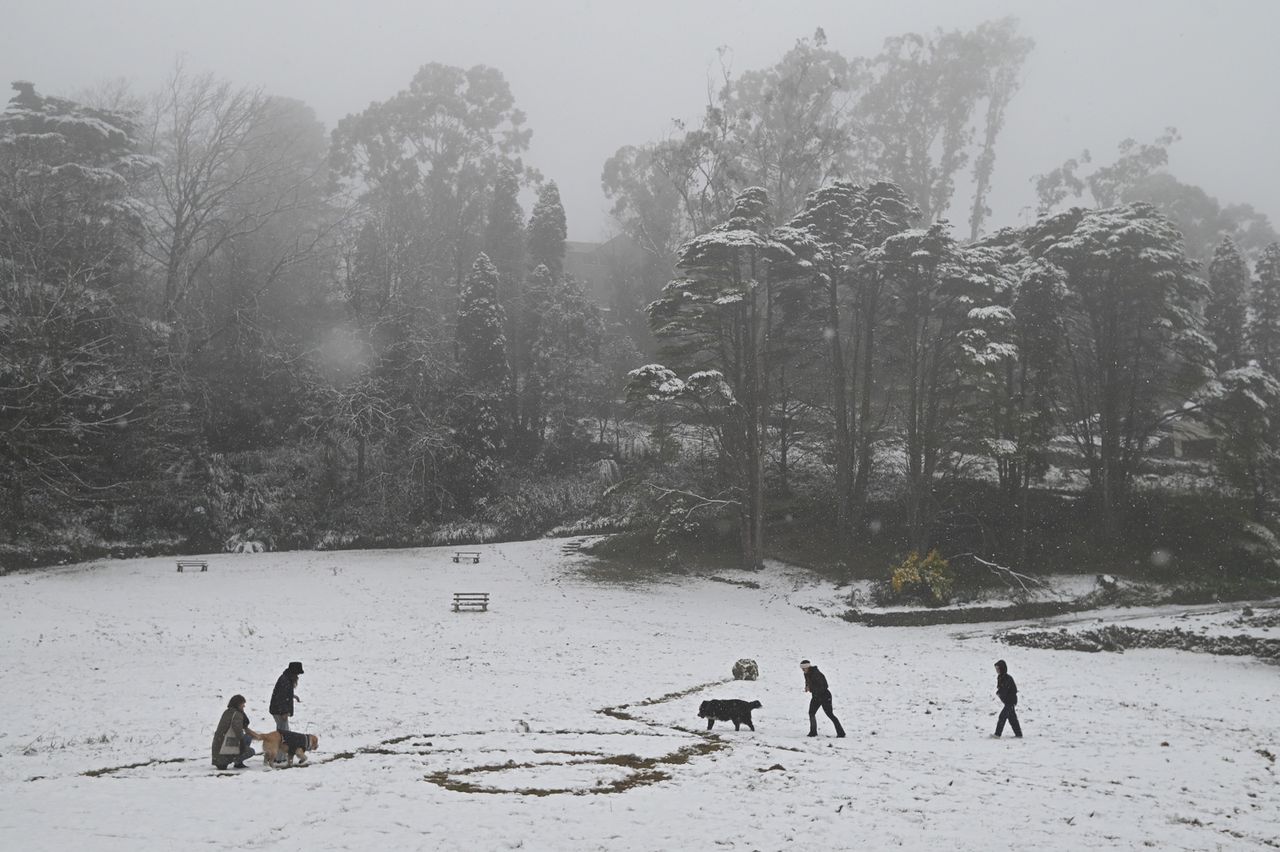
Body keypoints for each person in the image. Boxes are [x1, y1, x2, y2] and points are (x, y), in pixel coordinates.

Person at [800, 659, 845, 738]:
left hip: (825, 696)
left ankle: (841, 733)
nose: (802, 670)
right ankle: (813, 732)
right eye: (802, 669)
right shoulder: (806, 673)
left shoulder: (817, 674)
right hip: (815, 696)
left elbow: (824, 686)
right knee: (811, 713)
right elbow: (807, 682)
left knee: (830, 714)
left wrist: (811, 689)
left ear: (808, 667)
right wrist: (807, 686)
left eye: (804, 668)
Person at [211, 694, 258, 770]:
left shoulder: (227, 712)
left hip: (217, 752)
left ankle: (233, 760)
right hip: (225, 750)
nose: (244, 706)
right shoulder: (237, 714)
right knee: (251, 751)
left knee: (248, 737)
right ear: (238, 704)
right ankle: (236, 760)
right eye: (243, 704)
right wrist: (242, 744)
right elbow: (238, 731)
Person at [269, 661, 304, 733]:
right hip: (279, 711)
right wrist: (284, 712)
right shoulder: (286, 681)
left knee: (283, 731)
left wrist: (292, 696)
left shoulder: (286, 678)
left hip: (277, 709)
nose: (298, 676)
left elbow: (284, 694)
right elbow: (281, 697)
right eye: (297, 674)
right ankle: (280, 744)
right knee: (283, 733)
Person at [993, 659, 1022, 738]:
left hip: (1011, 701)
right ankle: (1018, 734)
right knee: (1012, 719)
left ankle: (997, 734)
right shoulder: (1000, 677)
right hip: (1007, 702)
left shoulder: (1007, 678)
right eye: (996, 669)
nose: (997, 670)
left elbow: (1005, 689)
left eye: (998, 669)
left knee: (1002, 716)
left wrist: (999, 692)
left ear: (1002, 668)